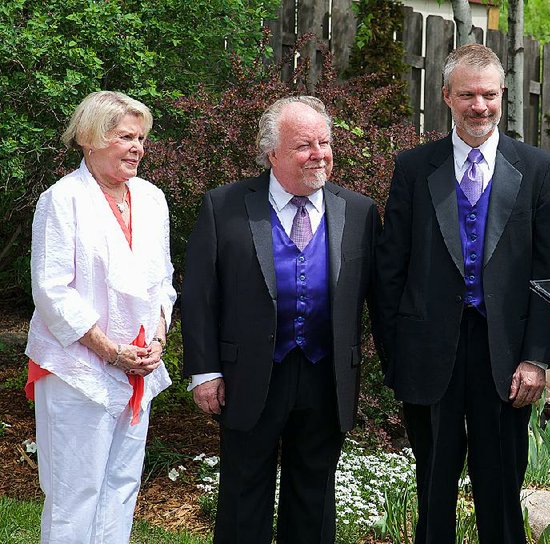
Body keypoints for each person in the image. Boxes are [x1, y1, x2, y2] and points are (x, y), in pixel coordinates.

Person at [377, 44, 550, 543]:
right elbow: (388, 270)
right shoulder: (415, 167)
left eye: (488, 95)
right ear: (446, 96)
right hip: (429, 352)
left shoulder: (537, 168)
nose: (479, 106)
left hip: (504, 356)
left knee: (501, 485)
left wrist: (536, 358)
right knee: (432, 485)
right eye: (467, 95)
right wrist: (394, 354)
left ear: (503, 95)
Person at [181, 96, 380, 543]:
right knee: (242, 498)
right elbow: (199, 296)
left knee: (313, 501)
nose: (319, 154)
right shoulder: (225, 205)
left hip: (324, 376)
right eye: (304, 145)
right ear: (271, 152)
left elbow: (377, 300)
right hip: (248, 375)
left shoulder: (360, 211)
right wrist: (205, 371)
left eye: (325, 142)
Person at [25, 91, 176, 543]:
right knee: (75, 493)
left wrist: (159, 342)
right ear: (90, 138)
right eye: (125, 136)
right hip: (77, 369)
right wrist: (109, 350)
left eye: (142, 138)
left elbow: (164, 281)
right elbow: (51, 290)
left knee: (122, 487)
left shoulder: (151, 198)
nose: (137, 147)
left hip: (137, 371)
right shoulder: (62, 199)